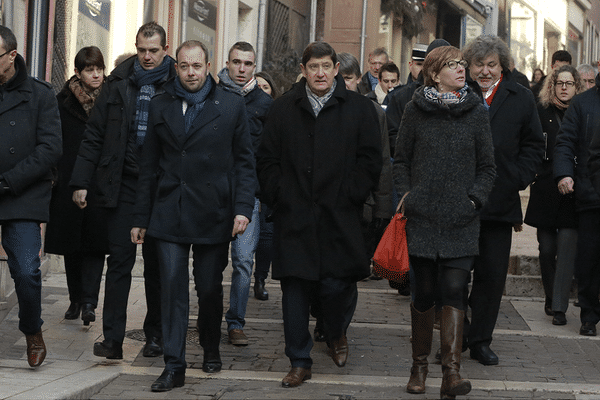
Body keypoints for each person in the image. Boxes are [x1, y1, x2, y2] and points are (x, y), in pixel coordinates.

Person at [131, 40, 256, 392]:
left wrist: (242, 208)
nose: (190, 73)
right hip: (169, 211)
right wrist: (140, 218)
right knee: (171, 288)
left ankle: (211, 344)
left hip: (213, 211)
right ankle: (174, 365)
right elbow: (148, 167)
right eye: (184, 66)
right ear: (177, 67)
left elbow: (245, 162)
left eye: (196, 66)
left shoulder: (230, 106)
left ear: (208, 66)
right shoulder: (160, 105)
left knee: (208, 287)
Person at [257, 41, 382, 388]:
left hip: (339, 216)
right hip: (294, 215)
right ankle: (299, 359)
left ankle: (336, 332)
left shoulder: (358, 109)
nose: (321, 73)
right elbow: (265, 159)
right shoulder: (283, 108)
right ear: (303, 69)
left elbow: (371, 160)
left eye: (327, 66)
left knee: (335, 286)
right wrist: (279, 194)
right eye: (314, 67)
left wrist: (353, 194)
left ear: (336, 69)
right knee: (295, 289)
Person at [394, 45, 496, 399]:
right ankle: (418, 366)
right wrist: (407, 196)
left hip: (461, 220)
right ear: (435, 73)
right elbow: (400, 161)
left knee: (454, 290)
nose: (461, 70)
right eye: (452, 65)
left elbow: (487, 166)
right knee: (424, 294)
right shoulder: (414, 110)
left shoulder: (476, 111)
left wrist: (475, 199)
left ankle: (451, 372)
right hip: (422, 218)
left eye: (461, 64)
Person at [69, 21, 175, 359]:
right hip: (123, 184)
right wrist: (81, 181)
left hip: (161, 187)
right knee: (119, 262)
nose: (146, 57)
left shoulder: (177, 83)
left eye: (153, 51)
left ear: (165, 49)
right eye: (141, 50)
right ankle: (112, 339)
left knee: (158, 265)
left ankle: (155, 335)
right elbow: (95, 135)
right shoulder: (117, 83)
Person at [463, 35, 544, 365]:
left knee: (491, 278)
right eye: (479, 65)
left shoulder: (521, 98)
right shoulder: (456, 95)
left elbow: (535, 147)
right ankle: (456, 335)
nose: (485, 71)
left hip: (499, 203)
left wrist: (517, 178)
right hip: (459, 204)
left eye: (491, 65)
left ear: (503, 66)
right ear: (469, 67)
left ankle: (480, 340)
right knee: (452, 278)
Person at [0, 25, 62, 367]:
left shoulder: (39, 94)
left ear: (12, 55)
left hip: (20, 194)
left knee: (25, 270)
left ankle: (32, 330)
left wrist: (9, 181)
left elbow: (51, 149)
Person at [45, 46, 109, 326]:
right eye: (89, 70)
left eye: (99, 69)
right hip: (70, 180)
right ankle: (74, 298)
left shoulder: (111, 100)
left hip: (100, 182)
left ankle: (89, 302)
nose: (96, 75)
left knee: (96, 244)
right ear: (78, 73)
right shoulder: (62, 102)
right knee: (72, 244)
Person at [217, 42, 273, 346]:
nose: (241, 69)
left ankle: (235, 322)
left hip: (249, 194)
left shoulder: (265, 104)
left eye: (247, 64)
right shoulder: (213, 96)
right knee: (211, 260)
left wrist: (263, 195)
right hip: (214, 193)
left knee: (242, 261)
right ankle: (209, 317)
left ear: (254, 66)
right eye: (236, 62)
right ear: (228, 63)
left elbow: (269, 155)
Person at [524, 65, 583, 325]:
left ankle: (559, 300)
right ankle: (551, 296)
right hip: (546, 187)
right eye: (560, 83)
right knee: (547, 249)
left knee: (567, 248)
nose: (564, 87)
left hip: (573, 190)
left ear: (576, 86)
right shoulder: (540, 111)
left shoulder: (583, 112)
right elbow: (530, 143)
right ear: (552, 85)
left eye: (569, 83)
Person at [556, 59, 600, 338]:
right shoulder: (583, 104)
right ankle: (589, 314)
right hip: (590, 195)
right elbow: (565, 142)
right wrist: (564, 174)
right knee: (589, 259)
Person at [254, 70, 279, 302]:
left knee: (267, 235)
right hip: (250, 180)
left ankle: (260, 278)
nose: (261, 91)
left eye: (266, 88)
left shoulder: (276, 115)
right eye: (257, 86)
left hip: (268, 182)